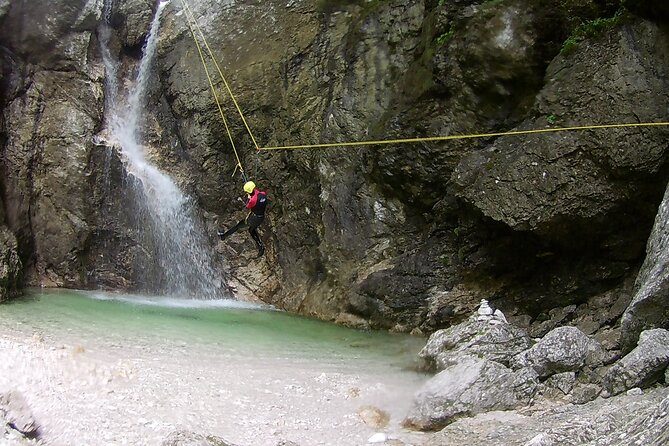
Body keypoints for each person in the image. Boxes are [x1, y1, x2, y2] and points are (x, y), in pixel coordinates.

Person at [217, 180, 268, 257]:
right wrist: (251, 194)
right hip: (261, 217)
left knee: (239, 225)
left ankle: (223, 236)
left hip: (254, 218)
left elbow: (248, 206)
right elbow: (257, 193)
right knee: (252, 230)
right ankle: (261, 246)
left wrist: (249, 197)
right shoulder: (263, 194)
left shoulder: (252, 200)